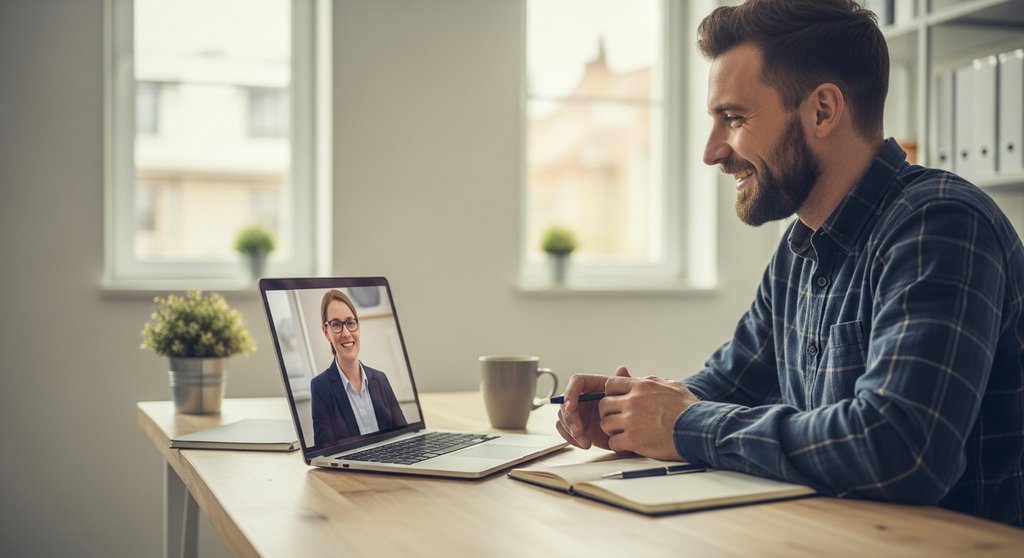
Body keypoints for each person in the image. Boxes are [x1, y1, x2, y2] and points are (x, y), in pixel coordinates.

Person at [556, 0, 1024, 527]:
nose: (712, 152)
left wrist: (684, 425)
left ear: (822, 110)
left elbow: (900, 449)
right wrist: (628, 410)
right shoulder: (801, 244)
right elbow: (729, 382)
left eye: (733, 118)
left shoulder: (940, 224)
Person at [311, 289, 407, 447]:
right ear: (326, 332)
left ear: (358, 326)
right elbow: (325, 452)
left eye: (350, 323)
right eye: (336, 325)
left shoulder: (380, 378)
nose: (347, 333)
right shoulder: (320, 387)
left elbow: (404, 434)